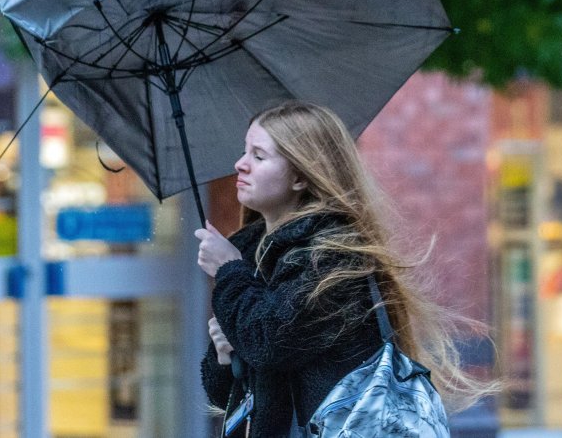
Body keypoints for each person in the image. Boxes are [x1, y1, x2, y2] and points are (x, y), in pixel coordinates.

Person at [195, 101, 491, 437]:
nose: (240, 165)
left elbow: (270, 343)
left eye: (258, 156)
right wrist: (224, 355)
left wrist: (229, 270)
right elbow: (232, 396)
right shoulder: (253, 255)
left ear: (300, 176)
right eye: (244, 151)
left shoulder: (334, 256)